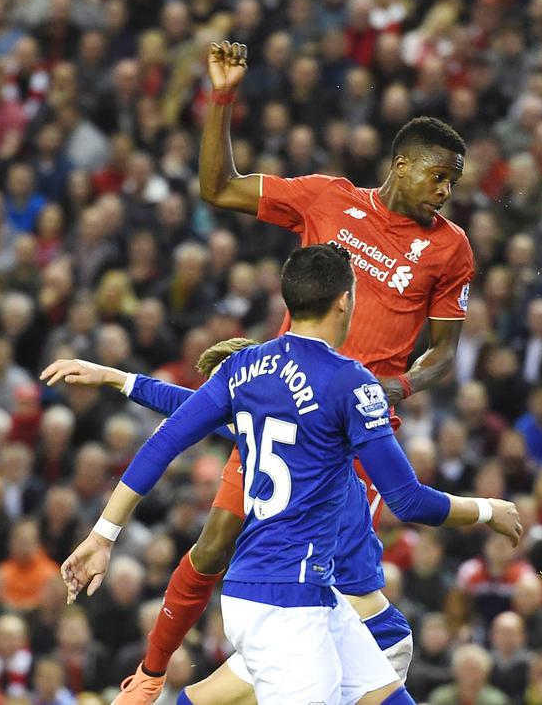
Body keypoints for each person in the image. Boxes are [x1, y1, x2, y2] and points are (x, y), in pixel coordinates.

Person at [111, 41, 476, 702]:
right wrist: (222, 98)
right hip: (282, 402)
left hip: (354, 431)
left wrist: (400, 385)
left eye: (453, 181)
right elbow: (217, 187)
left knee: (326, 591)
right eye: (438, 176)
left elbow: (444, 351)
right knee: (217, 542)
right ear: (402, 164)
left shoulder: (449, 249)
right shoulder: (327, 198)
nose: (446, 190)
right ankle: (153, 673)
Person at [59, 245, 521, 704]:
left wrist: (102, 535)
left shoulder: (244, 369)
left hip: (303, 593)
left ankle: (152, 675)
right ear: (345, 300)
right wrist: (487, 510)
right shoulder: (351, 383)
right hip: (287, 608)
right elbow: (408, 499)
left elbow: (165, 439)